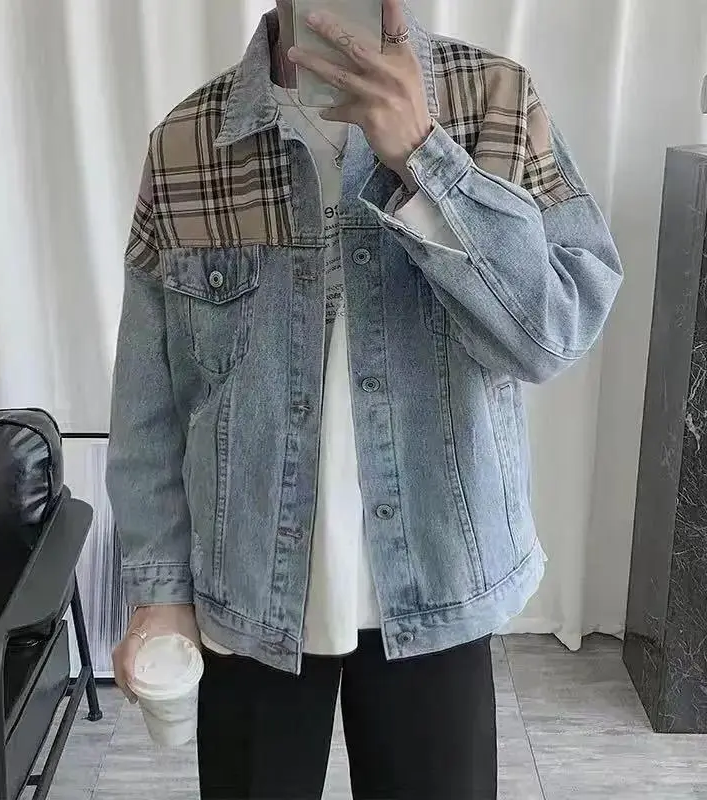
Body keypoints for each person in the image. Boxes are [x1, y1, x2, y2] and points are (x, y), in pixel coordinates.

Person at [107, 1, 622, 797]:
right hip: (247, 595)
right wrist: (159, 590)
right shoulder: (188, 141)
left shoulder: (495, 100)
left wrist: (427, 156)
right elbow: (150, 406)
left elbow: (552, 333)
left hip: (440, 579)